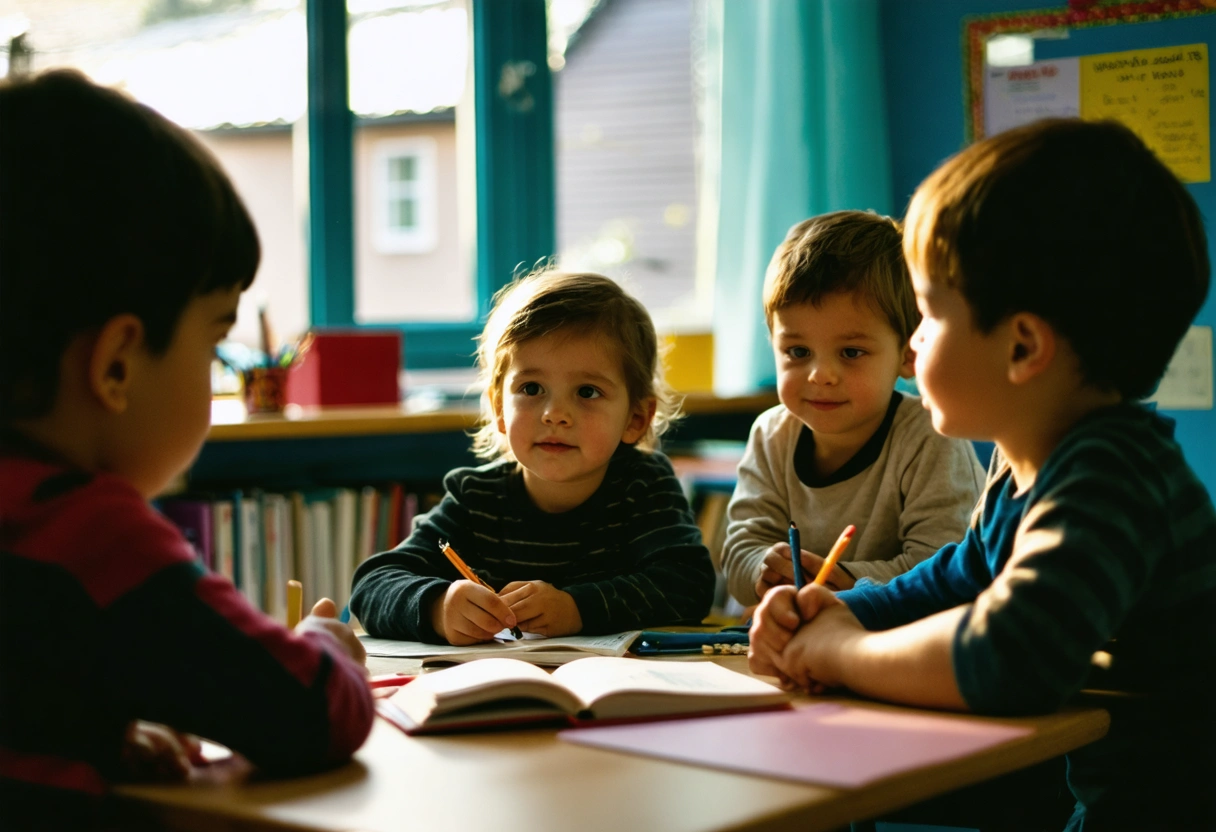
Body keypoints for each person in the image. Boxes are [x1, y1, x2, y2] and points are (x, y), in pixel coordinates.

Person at [749, 118, 1216, 831]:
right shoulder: (1026, 467)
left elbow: (1011, 658)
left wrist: (845, 651)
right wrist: (841, 611)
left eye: (930, 314)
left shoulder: (1110, 477)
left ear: (1022, 346)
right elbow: (953, 579)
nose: (911, 343)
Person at [0, 70, 374, 830]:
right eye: (213, 343)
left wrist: (96, 729)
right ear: (116, 365)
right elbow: (306, 712)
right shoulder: (88, 538)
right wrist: (329, 644)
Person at [350, 270, 716, 644]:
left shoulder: (643, 485)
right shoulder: (476, 497)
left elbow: (689, 585)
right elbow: (372, 585)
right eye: (531, 388)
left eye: (587, 392)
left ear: (636, 419)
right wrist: (437, 607)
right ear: (499, 408)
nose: (554, 414)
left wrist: (576, 608)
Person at [720, 210, 984, 608]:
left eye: (851, 352)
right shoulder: (771, 434)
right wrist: (762, 567)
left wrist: (846, 582)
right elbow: (740, 551)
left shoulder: (930, 438)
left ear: (909, 353)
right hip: (807, 642)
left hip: (902, 643)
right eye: (797, 352)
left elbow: (944, 572)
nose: (820, 375)